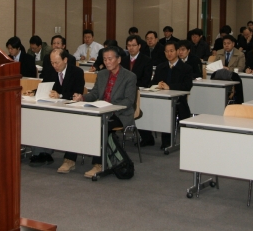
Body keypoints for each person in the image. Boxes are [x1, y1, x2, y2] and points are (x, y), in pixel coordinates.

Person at [72, 47, 137, 178]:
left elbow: (129, 101)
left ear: (118, 59)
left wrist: (111, 107)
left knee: (101, 128)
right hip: (102, 111)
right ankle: (70, 159)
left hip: (120, 114)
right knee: (79, 122)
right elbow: (95, 94)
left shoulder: (129, 76)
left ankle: (99, 164)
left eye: (110, 59)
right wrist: (82, 97)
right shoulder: (101, 74)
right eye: (105, 59)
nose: (107, 62)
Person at [31, 49, 85, 173]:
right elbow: (45, 87)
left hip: (71, 109)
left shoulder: (77, 72)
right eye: (52, 62)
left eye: (57, 63)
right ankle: (41, 153)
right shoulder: (50, 71)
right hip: (53, 108)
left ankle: (69, 159)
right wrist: (35, 92)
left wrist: (60, 95)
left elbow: (78, 92)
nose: (54, 66)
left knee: (71, 125)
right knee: (38, 118)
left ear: (65, 60)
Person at [150, 41, 193, 149]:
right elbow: (152, 83)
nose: (169, 54)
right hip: (161, 100)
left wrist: (170, 87)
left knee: (172, 111)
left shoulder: (186, 68)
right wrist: (157, 84)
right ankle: (158, 140)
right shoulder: (161, 67)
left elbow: (187, 85)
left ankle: (170, 142)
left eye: (171, 51)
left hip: (178, 101)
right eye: (167, 51)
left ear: (178, 51)